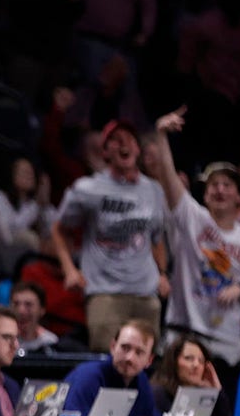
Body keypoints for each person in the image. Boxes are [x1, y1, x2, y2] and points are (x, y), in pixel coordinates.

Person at [150, 108, 240, 373]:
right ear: (205, 195)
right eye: (213, 184)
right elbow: (168, 178)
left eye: (227, 185)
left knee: (220, 412)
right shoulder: (193, 217)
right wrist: (161, 135)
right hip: (182, 334)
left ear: (239, 197)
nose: (220, 189)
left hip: (225, 342)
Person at [51, 119, 168, 350]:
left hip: (146, 292)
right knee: (108, 362)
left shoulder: (153, 190)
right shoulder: (88, 189)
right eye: (116, 140)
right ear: (105, 152)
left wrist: (162, 274)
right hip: (105, 292)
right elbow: (58, 229)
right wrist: (69, 270)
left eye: (130, 139)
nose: (124, 144)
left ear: (137, 149)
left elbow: (156, 238)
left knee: (146, 364)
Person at [61, 319, 162, 416]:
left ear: (149, 360)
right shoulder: (88, 376)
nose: (129, 358)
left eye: (139, 352)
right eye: (125, 348)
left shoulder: (141, 380)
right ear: (113, 347)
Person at [150, 335, 233, 416]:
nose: (196, 365)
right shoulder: (158, 393)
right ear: (174, 362)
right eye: (189, 358)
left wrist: (217, 390)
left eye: (201, 361)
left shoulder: (205, 394)